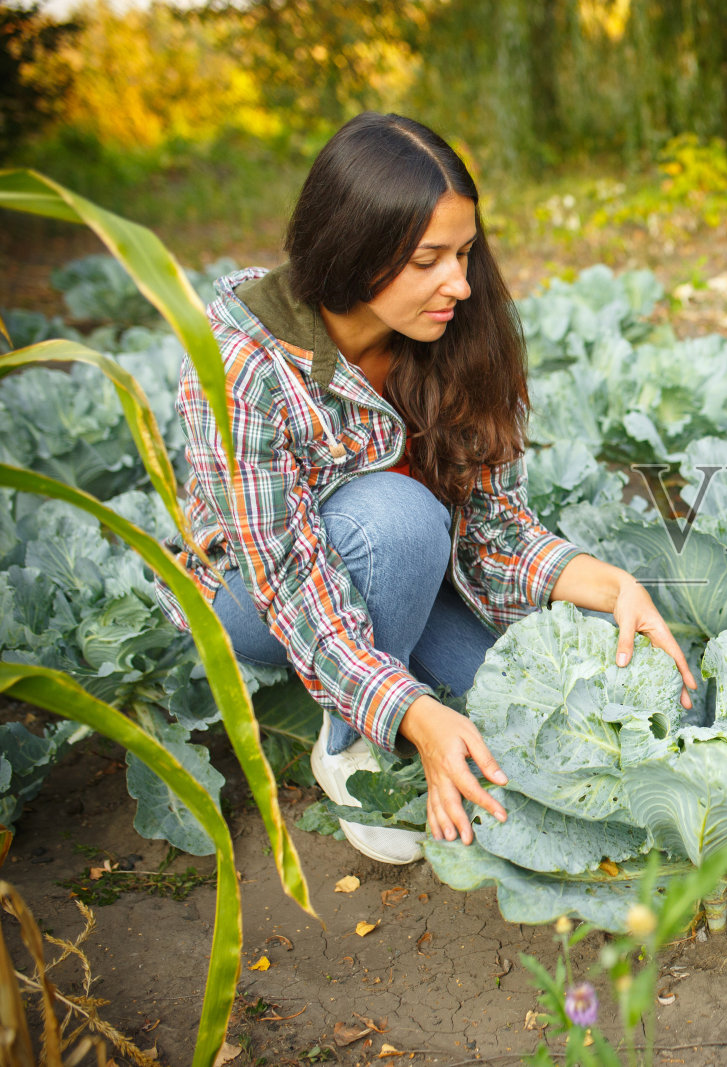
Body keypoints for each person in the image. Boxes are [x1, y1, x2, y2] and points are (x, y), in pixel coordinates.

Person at [157, 112, 694, 863]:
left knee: (511, 700)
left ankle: (391, 676)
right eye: (428, 260)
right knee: (402, 519)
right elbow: (288, 577)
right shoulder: (242, 363)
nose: (460, 283)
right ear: (351, 250)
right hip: (248, 590)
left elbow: (493, 528)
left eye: (466, 252)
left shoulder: (459, 330)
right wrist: (407, 710)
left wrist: (605, 582)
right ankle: (346, 744)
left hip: (402, 567)